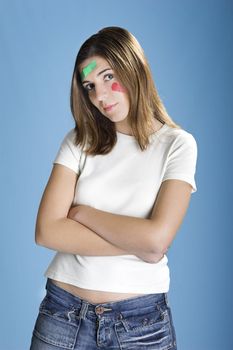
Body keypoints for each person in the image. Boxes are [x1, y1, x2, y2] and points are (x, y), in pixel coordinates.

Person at [30, 26, 197, 350]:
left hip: (141, 326)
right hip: (62, 316)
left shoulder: (178, 146)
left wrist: (83, 214)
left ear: (133, 67)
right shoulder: (80, 141)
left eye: (108, 77)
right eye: (90, 85)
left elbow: (157, 240)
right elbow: (47, 232)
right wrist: (141, 241)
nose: (100, 96)